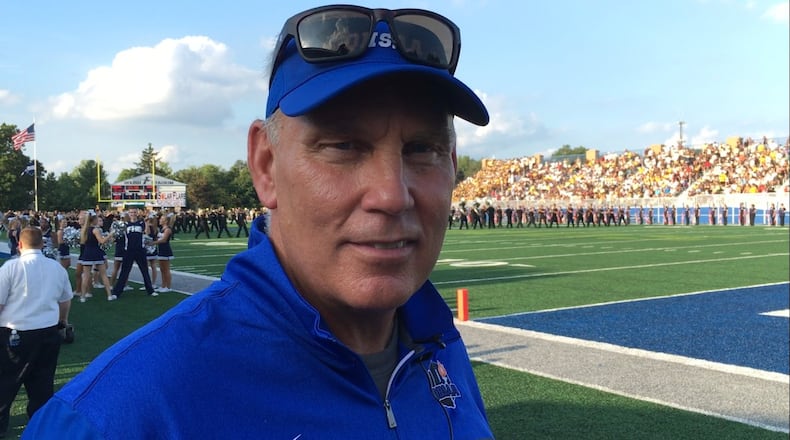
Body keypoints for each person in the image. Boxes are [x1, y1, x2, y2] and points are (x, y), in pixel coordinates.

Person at [24, 5, 493, 438]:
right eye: (343, 146)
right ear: (266, 166)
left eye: (422, 150)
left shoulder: (438, 347)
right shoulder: (114, 416)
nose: (392, 195)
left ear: (453, 163)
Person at [0, 227, 72, 437]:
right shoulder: (56, 268)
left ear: (19, 244)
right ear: (42, 244)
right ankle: (40, 425)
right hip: (48, 332)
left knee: (7, 381)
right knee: (43, 383)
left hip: (16, 332)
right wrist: (62, 321)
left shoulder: (11, 267)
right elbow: (65, 300)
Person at [109, 207, 156, 297]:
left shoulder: (141, 223)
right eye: (131, 212)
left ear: (137, 213)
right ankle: (116, 292)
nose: (133, 214)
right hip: (128, 250)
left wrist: (146, 222)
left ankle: (150, 290)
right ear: (128, 214)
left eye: (134, 212)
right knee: (124, 271)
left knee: (145, 271)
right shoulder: (125, 224)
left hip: (140, 250)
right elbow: (117, 236)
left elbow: (147, 233)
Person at [153, 213, 175, 293]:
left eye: (161, 219)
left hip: (166, 251)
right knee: (162, 269)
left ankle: (168, 287)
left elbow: (164, 240)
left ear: (165, 221)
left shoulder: (167, 229)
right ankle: (163, 285)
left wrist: (153, 243)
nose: (160, 220)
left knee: (166, 269)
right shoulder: (161, 229)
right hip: (161, 250)